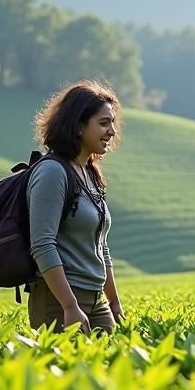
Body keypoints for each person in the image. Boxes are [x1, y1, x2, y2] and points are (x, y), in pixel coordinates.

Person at [27, 80, 123, 334]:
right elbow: (42, 244)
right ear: (79, 126)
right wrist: (69, 305)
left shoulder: (89, 172)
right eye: (104, 123)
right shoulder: (52, 172)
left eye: (112, 122)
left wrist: (113, 300)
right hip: (59, 300)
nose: (112, 131)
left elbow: (100, 245)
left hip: (94, 299)